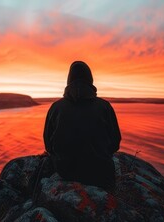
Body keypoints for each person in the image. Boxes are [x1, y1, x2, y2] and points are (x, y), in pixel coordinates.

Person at [43, 61, 121, 189]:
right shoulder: (104, 106)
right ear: (90, 80)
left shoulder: (56, 107)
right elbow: (115, 143)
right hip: (100, 173)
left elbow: (48, 145)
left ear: (69, 81)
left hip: (65, 172)